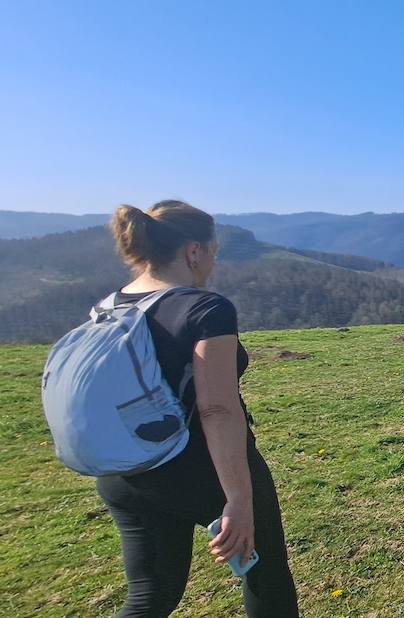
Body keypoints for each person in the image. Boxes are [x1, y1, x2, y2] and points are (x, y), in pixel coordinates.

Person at [96, 201, 298, 617]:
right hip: (201, 471)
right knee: (266, 577)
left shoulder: (106, 308)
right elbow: (218, 409)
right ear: (193, 252)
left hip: (126, 473)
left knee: (150, 596)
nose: (213, 260)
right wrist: (238, 499)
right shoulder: (205, 309)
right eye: (212, 250)